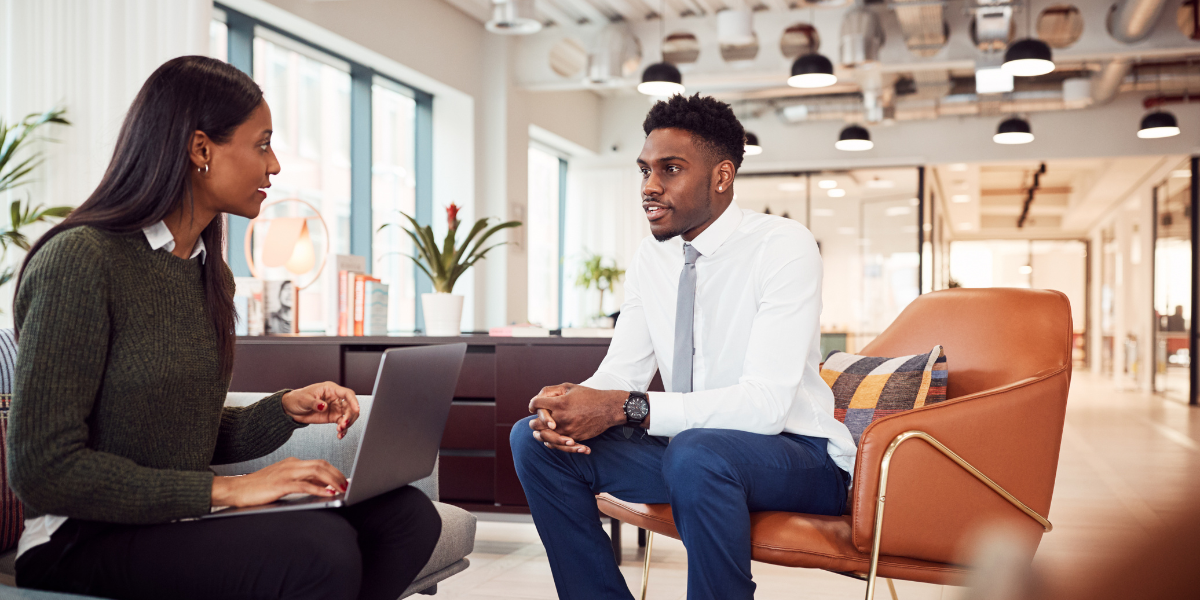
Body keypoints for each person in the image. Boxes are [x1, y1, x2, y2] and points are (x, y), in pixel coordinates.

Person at [8, 56, 440, 600]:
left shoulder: (208, 275)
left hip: (174, 522)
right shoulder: (82, 260)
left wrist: (284, 409)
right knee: (318, 552)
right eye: (262, 144)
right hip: (81, 539)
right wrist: (228, 490)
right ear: (201, 149)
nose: (275, 164)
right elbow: (42, 469)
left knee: (407, 517)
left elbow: (179, 429)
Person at [510, 94, 857, 600]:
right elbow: (621, 375)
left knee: (698, 452)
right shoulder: (652, 259)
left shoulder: (783, 245)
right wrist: (575, 401)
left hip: (799, 457)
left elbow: (764, 406)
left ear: (722, 176)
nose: (650, 187)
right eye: (645, 170)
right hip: (690, 456)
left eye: (670, 169)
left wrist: (622, 407)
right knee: (534, 439)